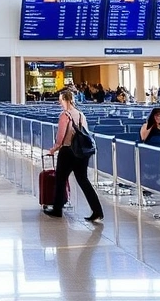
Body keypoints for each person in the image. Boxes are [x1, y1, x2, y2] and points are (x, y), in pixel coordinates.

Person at [43, 89, 104, 223]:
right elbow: (85, 132)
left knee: (61, 179)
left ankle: (57, 209)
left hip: (68, 151)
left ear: (66, 100)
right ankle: (97, 210)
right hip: (82, 152)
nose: (60, 103)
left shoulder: (65, 115)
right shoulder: (81, 115)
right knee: (83, 180)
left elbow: (61, 136)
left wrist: (54, 149)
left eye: (61, 101)